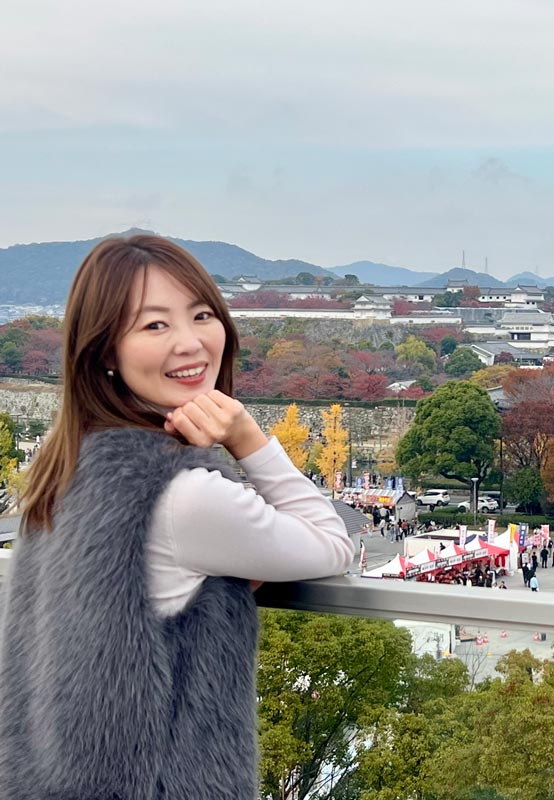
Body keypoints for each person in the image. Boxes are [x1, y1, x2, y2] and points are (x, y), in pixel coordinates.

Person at [0, 235, 354, 797]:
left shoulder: (66, 460)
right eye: (154, 325)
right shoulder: (185, 495)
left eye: (202, 315)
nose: (189, 343)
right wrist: (247, 437)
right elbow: (333, 544)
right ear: (106, 351)